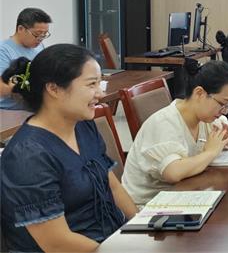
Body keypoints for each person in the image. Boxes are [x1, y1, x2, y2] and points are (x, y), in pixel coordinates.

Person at [0, 44, 136, 252]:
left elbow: (113, 186)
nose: (100, 94)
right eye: (91, 84)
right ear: (54, 89)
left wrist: (142, 226)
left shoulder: (83, 126)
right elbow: (57, 243)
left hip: (110, 240)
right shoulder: (27, 155)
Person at [121, 60, 228, 206]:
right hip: (149, 206)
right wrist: (210, 152)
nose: (225, 111)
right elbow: (173, 173)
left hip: (183, 196)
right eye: (222, 104)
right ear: (199, 93)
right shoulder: (165, 122)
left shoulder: (205, 117)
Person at [0, 8, 52, 110]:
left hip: (32, 109)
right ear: (20, 29)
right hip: (9, 111)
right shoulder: (3, 50)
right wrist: (15, 89)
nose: (40, 39)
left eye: (44, 34)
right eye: (37, 34)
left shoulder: (39, 47)